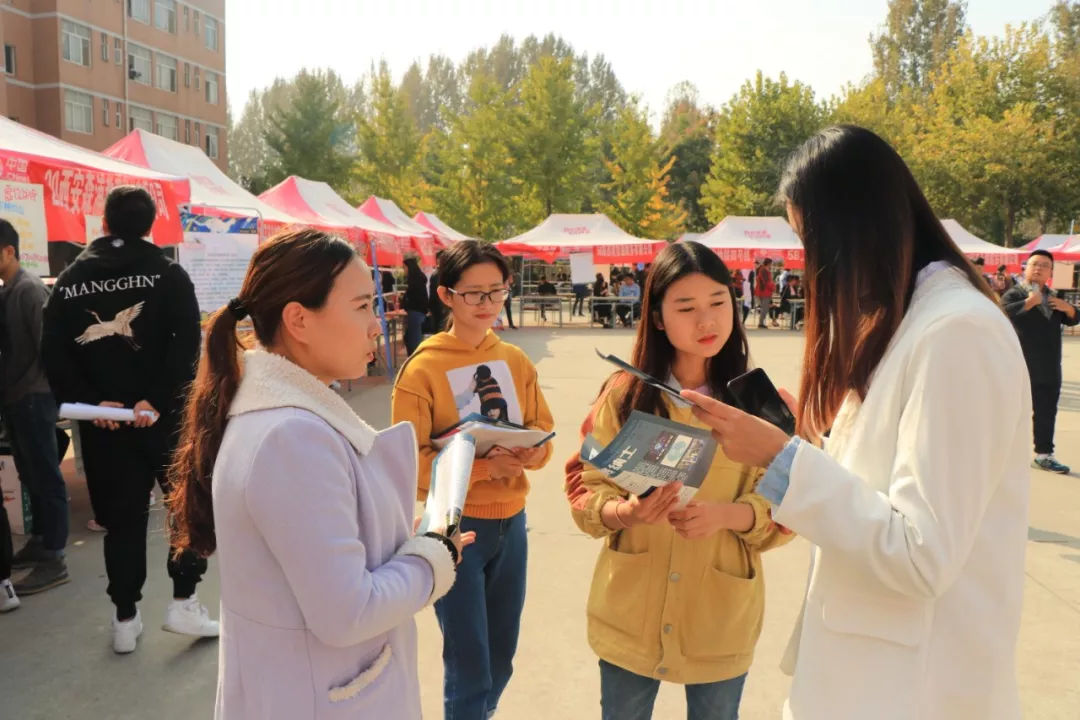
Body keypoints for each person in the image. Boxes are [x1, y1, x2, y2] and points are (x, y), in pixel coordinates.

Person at [684, 125, 1031, 720]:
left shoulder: (956, 335)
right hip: (870, 672)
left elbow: (921, 553)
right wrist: (803, 445)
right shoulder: (907, 323)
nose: (808, 264)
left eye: (808, 241)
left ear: (849, 233)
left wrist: (782, 459)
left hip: (912, 688)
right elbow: (878, 490)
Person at [166, 229, 469, 719]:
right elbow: (348, 612)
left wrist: (399, 543)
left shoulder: (282, 420)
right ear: (298, 319)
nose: (376, 326)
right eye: (361, 306)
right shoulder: (292, 437)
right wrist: (434, 557)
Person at [569, 242, 792, 720]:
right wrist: (623, 512)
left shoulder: (759, 402)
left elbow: (790, 504)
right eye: (686, 308)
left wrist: (728, 515)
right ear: (657, 318)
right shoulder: (625, 396)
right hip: (630, 614)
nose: (706, 320)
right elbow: (585, 482)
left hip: (719, 620)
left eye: (718, 302)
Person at [41, 186, 217, 653]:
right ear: (150, 225)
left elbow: (53, 353)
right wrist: (153, 401)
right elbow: (186, 346)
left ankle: (124, 618)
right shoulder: (168, 273)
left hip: (104, 426)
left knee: (121, 521)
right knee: (184, 508)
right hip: (165, 420)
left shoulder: (70, 280)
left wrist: (96, 402)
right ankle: (184, 602)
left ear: (103, 224)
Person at [391, 241, 554, 720]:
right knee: (470, 668)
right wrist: (486, 469)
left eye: (497, 292)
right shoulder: (422, 368)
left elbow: (544, 437)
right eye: (473, 295)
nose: (486, 305)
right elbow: (410, 464)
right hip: (455, 531)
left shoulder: (516, 361)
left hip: (513, 525)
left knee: (500, 660)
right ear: (445, 295)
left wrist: (531, 452)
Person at [0, 219, 69, 597]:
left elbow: (49, 348)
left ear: (9, 251)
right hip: (16, 397)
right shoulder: (8, 290)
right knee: (31, 474)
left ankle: (55, 556)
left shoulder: (28, 290)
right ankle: (42, 539)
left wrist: (49, 394)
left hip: (34, 396)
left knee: (45, 475)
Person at [1001, 250, 1079, 474]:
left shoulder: (1054, 296)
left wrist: (1069, 309)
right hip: (1019, 366)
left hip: (1049, 366)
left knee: (1046, 411)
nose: (1038, 268)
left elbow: (1074, 317)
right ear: (1025, 268)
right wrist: (1027, 303)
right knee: (1011, 412)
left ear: (1050, 272)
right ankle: (1001, 456)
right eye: (1034, 264)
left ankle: (1044, 455)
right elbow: (1002, 313)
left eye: (1044, 265)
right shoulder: (1013, 294)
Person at [402, 256, 429, 356]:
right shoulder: (418, 279)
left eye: (404, 267)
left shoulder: (415, 281)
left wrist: (405, 300)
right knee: (410, 338)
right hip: (418, 313)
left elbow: (413, 298)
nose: (403, 270)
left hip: (415, 313)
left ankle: (415, 361)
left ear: (409, 267)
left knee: (414, 342)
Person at [754, 258, 777, 328]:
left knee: (765, 308)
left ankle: (761, 323)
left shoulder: (764, 270)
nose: (772, 265)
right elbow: (766, 282)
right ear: (769, 263)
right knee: (765, 308)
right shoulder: (764, 270)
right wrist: (773, 287)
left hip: (765, 292)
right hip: (764, 292)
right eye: (771, 263)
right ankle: (761, 323)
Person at [428, 250, 447, 333]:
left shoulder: (437, 273)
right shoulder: (440, 273)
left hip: (439, 307)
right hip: (441, 307)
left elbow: (432, 293)